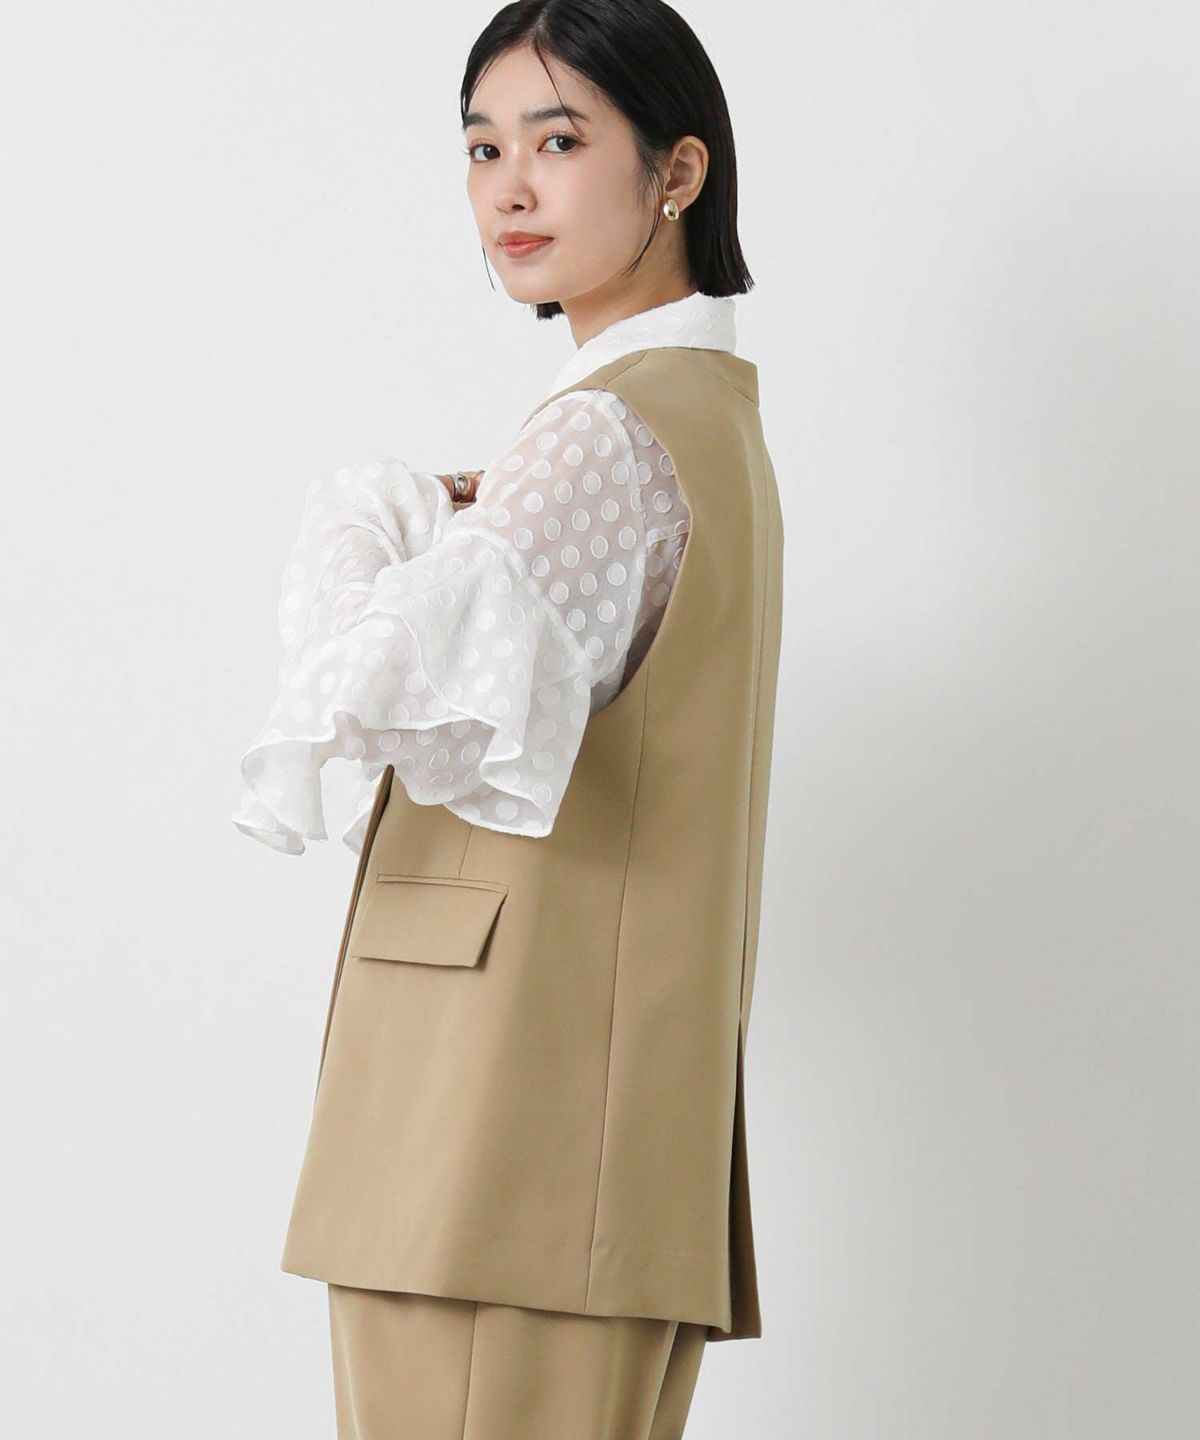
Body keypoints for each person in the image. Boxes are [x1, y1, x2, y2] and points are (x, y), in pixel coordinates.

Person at [232, 4, 784, 1437]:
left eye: (560, 140)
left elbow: (363, 687)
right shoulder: (700, 418)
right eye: (483, 149)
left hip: (494, 1143)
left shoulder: (604, 434)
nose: (510, 188)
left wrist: (366, 518)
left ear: (677, 172)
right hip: (562, 1151)